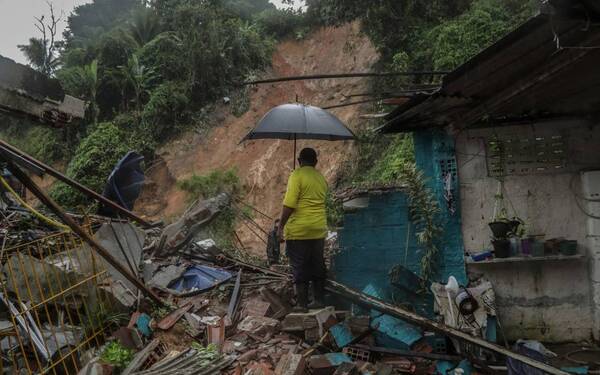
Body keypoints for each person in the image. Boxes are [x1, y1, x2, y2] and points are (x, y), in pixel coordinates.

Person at [277, 147, 328, 312]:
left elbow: (289, 204)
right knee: (317, 263)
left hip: (299, 230)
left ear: (299, 161)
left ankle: (302, 304)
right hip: (318, 229)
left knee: (299, 265)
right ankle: (319, 300)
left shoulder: (296, 175)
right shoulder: (321, 178)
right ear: (315, 162)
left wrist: (280, 226)